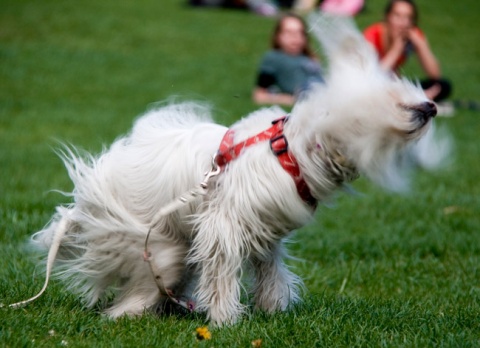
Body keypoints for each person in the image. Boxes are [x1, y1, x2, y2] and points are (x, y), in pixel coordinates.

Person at [363, 0, 452, 103]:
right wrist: (396, 50)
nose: (402, 23)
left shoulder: (411, 36)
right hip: (374, 84)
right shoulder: (372, 35)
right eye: (397, 16)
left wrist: (421, 45)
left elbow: (435, 75)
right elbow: (372, 77)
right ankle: (417, 97)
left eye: (407, 18)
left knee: (442, 86)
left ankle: (413, 96)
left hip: (393, 81)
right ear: (387, 17)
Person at [253, 14, 324, 106]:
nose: (295, 37)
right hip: (304, 94)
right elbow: (259, 95)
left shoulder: (310, 58)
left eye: (300, 32)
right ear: (279, 36)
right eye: (289, 32)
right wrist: (288, 99)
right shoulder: (273, 57)